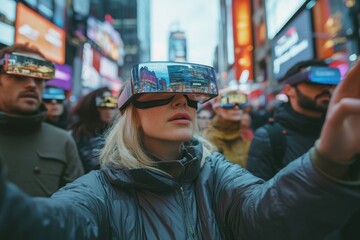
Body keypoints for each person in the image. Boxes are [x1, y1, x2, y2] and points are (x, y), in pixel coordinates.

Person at [0, 61, 360, 240]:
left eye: (192, 96)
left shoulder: (215, 173)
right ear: (131, 114)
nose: (182, 102)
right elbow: (50, 224)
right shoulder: (98, 191)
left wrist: (327, 159)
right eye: (161, 93)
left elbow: (269, 212)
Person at [246, 59, 358, 239]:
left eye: (331, 83)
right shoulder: (269, 137)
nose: (326, 89)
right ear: (289, 89)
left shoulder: (348, 130)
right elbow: (259, 208)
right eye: (313, 81)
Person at [0, 43, 84, 197]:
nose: (31, 84)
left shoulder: (63, 142)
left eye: (39, 78)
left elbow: (77, 211)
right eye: (20, 74)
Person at [68, 87, 117, 173]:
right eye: (103, 103)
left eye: (112, 102)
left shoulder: (117, 133)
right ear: (92, 106)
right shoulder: (77, 134)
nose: (108, 109)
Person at [202, 88, 251, 167]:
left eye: (240, 102)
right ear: (217, 109)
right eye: (229, 103)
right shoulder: (209, 138)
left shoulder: (246, 133)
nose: (236, 107)